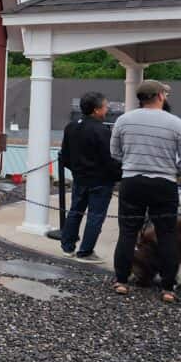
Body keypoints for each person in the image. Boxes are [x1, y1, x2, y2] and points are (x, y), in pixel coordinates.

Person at [110, 80, 181, 303]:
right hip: (164, 183)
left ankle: (121, 280)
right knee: (167, 234)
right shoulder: (176, 124)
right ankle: (167, 287)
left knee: (127, 231)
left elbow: (115, 153)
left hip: (132, 180)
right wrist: (171, 170)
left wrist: (131, 164)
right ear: (159, 96)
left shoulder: (124, 120)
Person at [58, 92, 123, 262]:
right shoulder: (102, 131)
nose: (107, 109)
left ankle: (67, 246)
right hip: (100, 181)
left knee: (75, 211)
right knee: (95, 216)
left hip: (79, 177)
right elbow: (109, 159)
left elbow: (65, 155)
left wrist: (75, 170)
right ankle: (85, 251)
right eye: (105, 106)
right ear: (96, 110)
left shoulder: (71, 126)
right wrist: (118, 175)